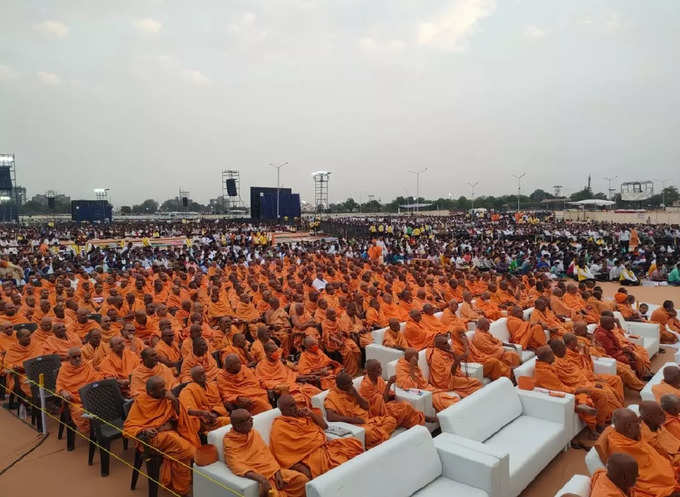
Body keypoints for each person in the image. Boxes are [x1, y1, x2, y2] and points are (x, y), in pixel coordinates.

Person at [123, 376, 197, 496]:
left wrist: (174, 400)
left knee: (183, 451)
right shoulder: (141, 401)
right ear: (151, 391)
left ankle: (181, 489)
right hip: (151, 439)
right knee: (190, 451)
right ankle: (181, 488)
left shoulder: (166, 398)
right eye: (161, 388)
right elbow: (128, 427)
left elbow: (179, 418)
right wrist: (145, 430)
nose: (165, 390)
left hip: (170, 433)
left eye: (165, 386)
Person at [269, 393, 363, 479]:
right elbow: (283, 455)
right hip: (310, 456)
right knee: (341, 464)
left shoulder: (301, 415)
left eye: (295, 404)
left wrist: (310, 413)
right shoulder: (279, 426)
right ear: (283, 410)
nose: (296, 407)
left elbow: (324, 426)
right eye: (292, 406)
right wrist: (300, 466)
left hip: (326, 447)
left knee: (355, 444)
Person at [594, 408, 680, 497]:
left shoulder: (633, 435)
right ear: (628, 427)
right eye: (636, 423)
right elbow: (639, 474)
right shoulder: (619, 446)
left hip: (666, 470)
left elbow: (651, 454)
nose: (639, 425)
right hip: (652, 483)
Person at [223, 408, 308, 497]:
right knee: (274, 495)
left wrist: (277, 472)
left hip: (272, 471)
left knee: (301, 480)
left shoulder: (253, 433)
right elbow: (236, 465)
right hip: (258, 475)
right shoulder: (230, 441)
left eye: (251, 417)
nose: (252, 421)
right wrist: (262, 479)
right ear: (238, 426)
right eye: (248, 419)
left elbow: (267, 454)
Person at [533, 345, 602, 436]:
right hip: (552, 395)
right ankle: (592, 430)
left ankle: (582, 407)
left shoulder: (547, 365)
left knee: (585, 396)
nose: (554, 356)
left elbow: (562, 382)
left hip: (564, 389)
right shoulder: (543, 372)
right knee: (585, 398)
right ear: (545, 358)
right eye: (551, 355)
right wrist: (578, 390)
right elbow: (560, 389)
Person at [324, 371, 397, 449]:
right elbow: (330, 417)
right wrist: (353, 420)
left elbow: (366, 406)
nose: (352, 385)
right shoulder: (332, 396)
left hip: (368, 419)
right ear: (341, 385)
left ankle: (377, 434)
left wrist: (356, 394)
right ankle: (378, 435)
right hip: (355, 424)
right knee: (368, 433)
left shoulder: (351, 389)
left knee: (391, 420)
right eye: (349, 383)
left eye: (351, 382)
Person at [359, 359, 435, 428]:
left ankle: (420, 421)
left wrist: (392, 393)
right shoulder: (366, 385)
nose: (380, 370)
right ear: (370, 372)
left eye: (380, 367)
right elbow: (382, 401)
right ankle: (425, 419)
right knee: (403, 409)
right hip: (376, 411)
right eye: (377, 369)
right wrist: (389, 384)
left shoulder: (379, 378)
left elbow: (387, 395)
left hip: (386, 405)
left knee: (406, 405)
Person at [255, 341, 320, 409]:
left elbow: (290, 375)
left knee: (314, 391)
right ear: (266, 352)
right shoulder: (261, 365)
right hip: (283, 389)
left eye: (276, 351)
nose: (275, 353)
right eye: (272, 351)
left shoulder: (279, 362)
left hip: (293, 384)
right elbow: (263, 381)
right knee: (299, 399)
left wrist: (307, 376)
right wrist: (278, 385)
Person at [394, 348, 459, 411]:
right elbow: (409, 386)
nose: (418, 359)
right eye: (417, 357)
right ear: (409, 358)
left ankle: (455, 406)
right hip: (421, 392)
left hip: (427, 388)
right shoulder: (402, 367)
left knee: (444, 396)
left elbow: (422, 381)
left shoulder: (412, 362)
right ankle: (453, 410)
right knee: (441, 400)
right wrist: (412, 367)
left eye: (417, 357)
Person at [55, 347, 101, 434]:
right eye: (74, 357)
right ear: (69, 358)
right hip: (75, 399)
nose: (78, 359)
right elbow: (59, 385)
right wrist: (63, 392)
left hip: (90, 396)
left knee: (106, 403)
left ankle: (101, 429)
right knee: (80, 412)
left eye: (79, 356)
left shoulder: (86, 365)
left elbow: (97, 377)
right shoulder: (64, 369)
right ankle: (92, 431)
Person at [426, 334, 483, 399]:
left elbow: (463, 358)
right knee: (476, 382)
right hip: (446, 381)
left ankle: (472, 399)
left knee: (475, 385)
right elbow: (446, 375)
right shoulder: (436, 356)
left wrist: (454, 353)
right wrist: (456, 360)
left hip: (453, 376)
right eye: (445, 343)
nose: (448, 344)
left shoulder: (446, 350)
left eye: (447, 342)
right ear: (438, 345)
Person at [179, 365, 230, 436]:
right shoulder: (187, 391)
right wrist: (203, 414)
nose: (203, 376)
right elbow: (188, 410)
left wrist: (215, 413)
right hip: (204, 423)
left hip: (217, 416)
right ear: (192, 377)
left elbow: (219, 403)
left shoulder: (212, 386)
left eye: (203, 373)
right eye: (199, 375)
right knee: (233, 422)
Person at [2, 328, 42, 399]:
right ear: (19, 338)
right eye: (26, 336)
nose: (29, 338)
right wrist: (18, 367)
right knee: (29, 384)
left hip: (38, 371)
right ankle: (34, 402)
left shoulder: (36, 344)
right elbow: (8, 365)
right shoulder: (13, 349)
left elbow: (41, 359)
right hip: (22, 374)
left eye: (30, 335)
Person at [638, 401, 680, 466]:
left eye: (662, 411)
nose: (664, 415)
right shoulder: (646, 438)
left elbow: (675, 444)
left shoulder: (658, 425)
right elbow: (664, 460)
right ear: (650, 418)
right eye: (660, 414)